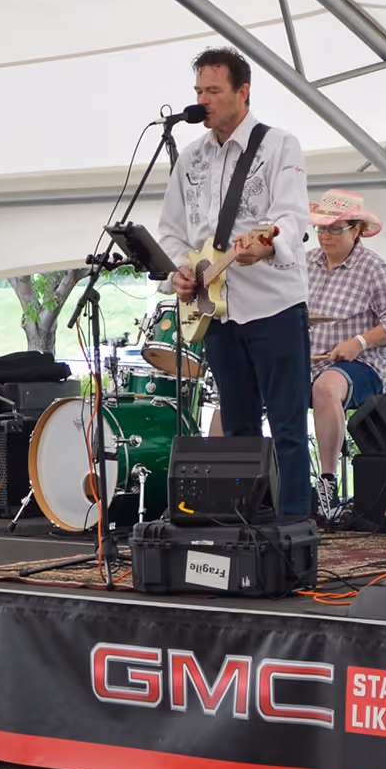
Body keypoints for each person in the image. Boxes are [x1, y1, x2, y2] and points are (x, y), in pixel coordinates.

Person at [158, 48, 313, 519]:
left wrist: (268, 245)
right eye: (198, 91)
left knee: (287, 427)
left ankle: (294, 527)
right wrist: (180, 272)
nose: (202, 100)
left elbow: (292, 218)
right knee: (239, 428)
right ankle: (248, 525)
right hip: (216, 312)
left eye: (213, 91)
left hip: (274, 305)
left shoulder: (280, 146)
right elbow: (171, 232)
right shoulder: (189, 158)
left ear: (243, 92)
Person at [307, 190, 386, 520]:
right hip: (308, 362)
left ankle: (327, 484)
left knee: (326, 388)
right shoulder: (305, 263)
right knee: (261, 385)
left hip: (363, 365)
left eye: (334, 229)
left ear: (356, 230)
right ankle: (278, 484)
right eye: (321, 228)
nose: (325, 236)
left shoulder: (374, 268)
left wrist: (359, 343)